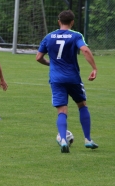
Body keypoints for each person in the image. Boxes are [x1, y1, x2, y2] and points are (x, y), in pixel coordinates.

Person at [36, 10, 98, 153]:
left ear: (59, 21)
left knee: (62, 110)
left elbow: (38, 57)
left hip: (56, 79)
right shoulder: (76, 35)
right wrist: (94, 68)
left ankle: (63, 140)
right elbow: (85, 51)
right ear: (72, 22)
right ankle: (88, 140)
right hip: (73, 78)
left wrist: (50, 64)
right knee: (82, 105)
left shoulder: (49, 36)